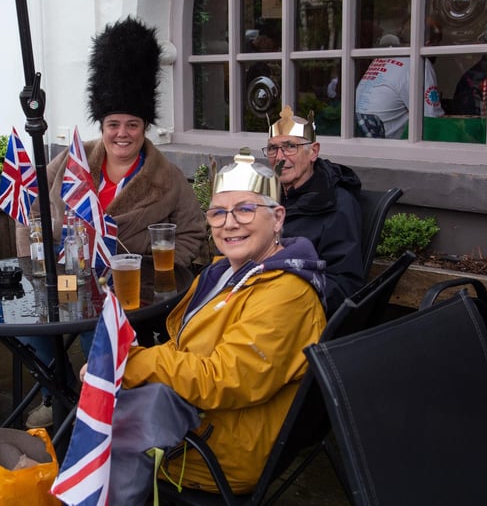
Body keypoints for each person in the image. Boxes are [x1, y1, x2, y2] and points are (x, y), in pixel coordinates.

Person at [97, 152, 327, 502]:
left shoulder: (286, 294)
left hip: (218, 449)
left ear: (278, 217)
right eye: (218, 212)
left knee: (92, 443)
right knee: (94, 415)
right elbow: (185, 346)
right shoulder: (225, 271)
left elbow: (224, 377)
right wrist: (125, 362)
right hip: (207, 420)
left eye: (245, 210)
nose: (229, 223)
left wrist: (130, 363)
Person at [15, 16, 206, 429]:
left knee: (97, 330)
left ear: (144, 128)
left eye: (132, 125)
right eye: (113, 124)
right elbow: (31, 207)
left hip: (128, 297)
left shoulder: (167, 177)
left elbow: (192, 232)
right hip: (67, 281)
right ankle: (62, 393)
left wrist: (156, 273)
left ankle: (96, 412)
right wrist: (38, 259)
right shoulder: (72, 160)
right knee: (28, 327)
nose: (123, 134)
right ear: (101, 126)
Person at [265, 105, 363, 315]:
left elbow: (345, 286)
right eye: (273, 148)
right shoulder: (264, 198)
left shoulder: (337, 205)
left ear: (313, 152)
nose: (280, 157)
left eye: (290, 146)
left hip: (296, 315)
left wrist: (282, 295)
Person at [354, 26, 445, 138]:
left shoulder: (381, 58)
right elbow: (431, 119)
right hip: (385, 146)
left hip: (358, 136)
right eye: (438, 42)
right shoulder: (419, 62)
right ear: (429, 43)